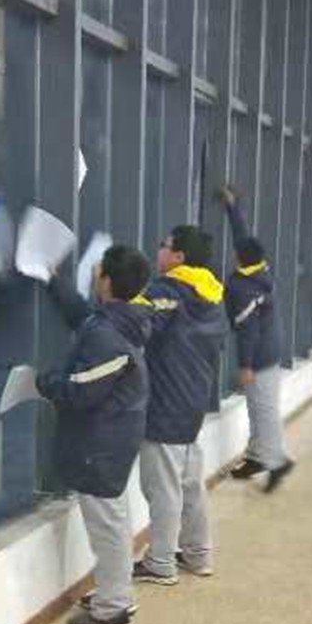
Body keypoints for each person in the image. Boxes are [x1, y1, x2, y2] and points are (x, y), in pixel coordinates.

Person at [37, 246, 151, 624]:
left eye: (98, 270)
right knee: (114, 520)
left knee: (108, 526)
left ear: (107, 281)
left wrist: (42, 382)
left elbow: (81, 389)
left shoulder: (108, 335)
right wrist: (55, 282)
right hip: (112, 435)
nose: (93, 274)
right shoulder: (120, 320)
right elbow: (83, 317)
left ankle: (113, 609)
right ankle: (116, 592)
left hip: (103, 442)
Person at [133, 225, 227, 585]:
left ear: (179, 257)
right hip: (192, 402)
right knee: (189, 484)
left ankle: (160, 561)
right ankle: (198, 554)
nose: (158, 250)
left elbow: (135, 322)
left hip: (164, 403)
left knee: (163, 489)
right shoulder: (212, 295)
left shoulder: (168, 291)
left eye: (164, 245)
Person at [220, 186, 294, 491]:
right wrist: (232, 207)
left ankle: (277, 462)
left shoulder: (244, 288)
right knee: (257, 405)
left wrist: (246, 365)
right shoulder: (260, 269)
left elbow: (248, 330)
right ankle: (257, 456)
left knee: (264, 410)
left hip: (260, 354)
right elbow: (244, 237)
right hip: (271, 345)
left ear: (238, 259)